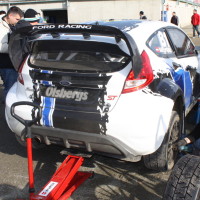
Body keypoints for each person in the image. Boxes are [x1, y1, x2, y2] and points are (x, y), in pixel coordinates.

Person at [0, 6, 23, 102]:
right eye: (17, 19)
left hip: (9, 62)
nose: (18, 21)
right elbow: (1, 47)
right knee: (10, 89)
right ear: (9, 15)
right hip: (5, 64)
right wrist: (16, 49)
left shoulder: (8, 25)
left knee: (10, 87)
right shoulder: (1, 27)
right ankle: (8, 112)